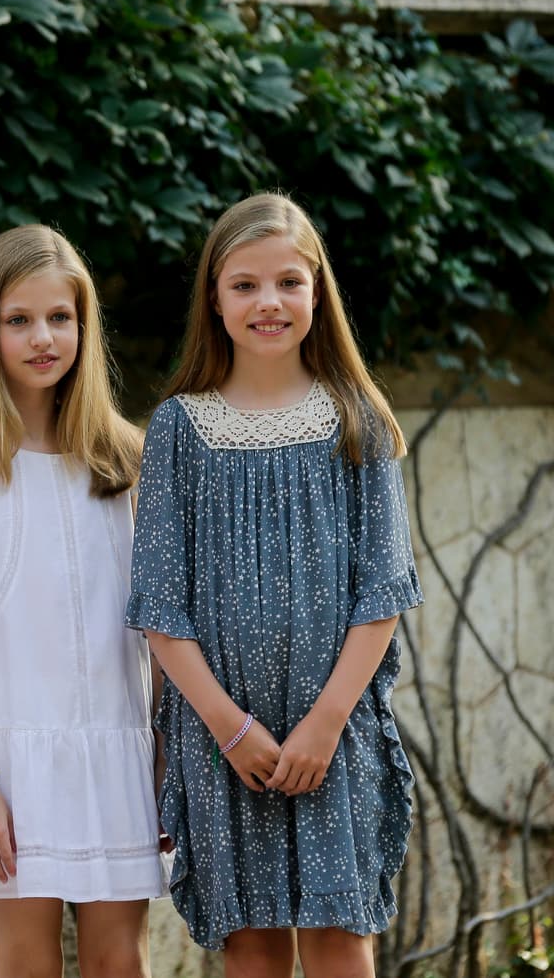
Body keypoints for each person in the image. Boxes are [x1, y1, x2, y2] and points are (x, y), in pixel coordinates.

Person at [126, 192, 422, 978]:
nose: (268, 302)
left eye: (288, 282)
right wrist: (229, 727)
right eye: (245, 284)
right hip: (225, 745)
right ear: (215, 300)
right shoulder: (179, 430)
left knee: (339, 941)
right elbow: (160, 605)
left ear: (317, 293)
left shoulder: (357, 418)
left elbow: (384, 592)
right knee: (252, 950)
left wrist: (325, 724)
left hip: (334, 732)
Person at [0, 224, 170, 978]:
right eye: (18, 320)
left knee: (122, 960)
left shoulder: (126, 460)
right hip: (8, 766)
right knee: (23, 962)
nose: (43, 337)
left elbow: (158, 629)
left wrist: (162, 755)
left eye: (61, 317)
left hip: (118, 751)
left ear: (85, 324)